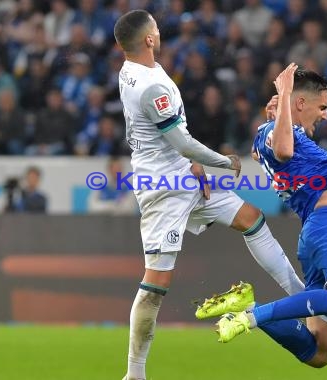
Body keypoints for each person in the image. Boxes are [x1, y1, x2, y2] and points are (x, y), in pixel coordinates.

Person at [113, 11, 304, 380]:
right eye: (155, 26)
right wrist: (220, 160)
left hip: (183, 174)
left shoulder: (135, 69)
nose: (159, 29)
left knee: (251, 219)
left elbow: (170, 135)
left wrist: (192, 165)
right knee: (155, 286)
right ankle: (134, 374)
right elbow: (181, 140)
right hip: (163, 189)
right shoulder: (149, 85)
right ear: (149, 39)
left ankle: (299, 296)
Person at [196, 64, 327, 368]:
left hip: (312, 231)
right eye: (322, 107)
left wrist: (281, 112)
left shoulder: (267, 134)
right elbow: (285, 150)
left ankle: (250, 306)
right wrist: (285, 93)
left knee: (320, 354)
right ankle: (251, 317)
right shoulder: (280, 134)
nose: (326, 115)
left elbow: (278, 145)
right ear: (301, 103)